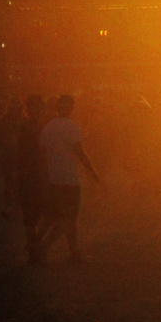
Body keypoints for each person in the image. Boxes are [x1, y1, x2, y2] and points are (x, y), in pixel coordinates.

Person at [33, 94, 102, 264]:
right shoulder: (72, 127)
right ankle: (43, 246)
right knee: (69, 219)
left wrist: (44, 179)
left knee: (55, 216)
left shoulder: (48, 127)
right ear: (71, 108)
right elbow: (80, 153)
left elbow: (41, 156)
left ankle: (70, 251)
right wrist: (93, 173)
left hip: (53, 179)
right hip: (69, 179)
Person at [17, 95, 50, 251]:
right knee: (38, 215)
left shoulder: (27, 127)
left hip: (29, 175)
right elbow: (38, 155)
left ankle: (33, 245)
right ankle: (33, 247)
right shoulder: (35, 128)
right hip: (35, 176)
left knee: (32, 217)